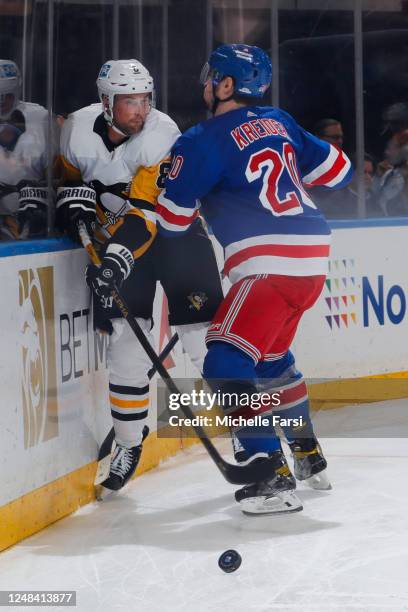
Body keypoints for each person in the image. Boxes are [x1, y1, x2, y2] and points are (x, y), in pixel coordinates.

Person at [157, 44, 353, 515]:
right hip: (311, 258)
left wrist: (164, 180)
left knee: (224, 362)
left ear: (226, 85)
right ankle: (307, 454)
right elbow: (340, 171)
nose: (206, 85)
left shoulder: (200, 138)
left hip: (269, 262)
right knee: (269, 358)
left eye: (212, 78)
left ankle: (270, 474)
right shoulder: (280, 121)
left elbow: (172, 220)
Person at [58, 59, 223, 494]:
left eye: (145, 99)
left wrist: (111, 260)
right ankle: (130, 444)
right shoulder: (75, 129)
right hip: (122, 248)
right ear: (106, 102)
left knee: (204, 342)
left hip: (177, 238)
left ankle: (254, 436)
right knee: (126, 346)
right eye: (129, 100)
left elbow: (146, 215)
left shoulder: (161, 134)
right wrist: (71, 202)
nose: (140, 109)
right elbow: (69, 181)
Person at [0, 60, 49, 240]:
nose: (1, 102)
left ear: (16, 91)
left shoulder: (40, 117)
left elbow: (55, 170)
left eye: (6, 95)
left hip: (32, 212)